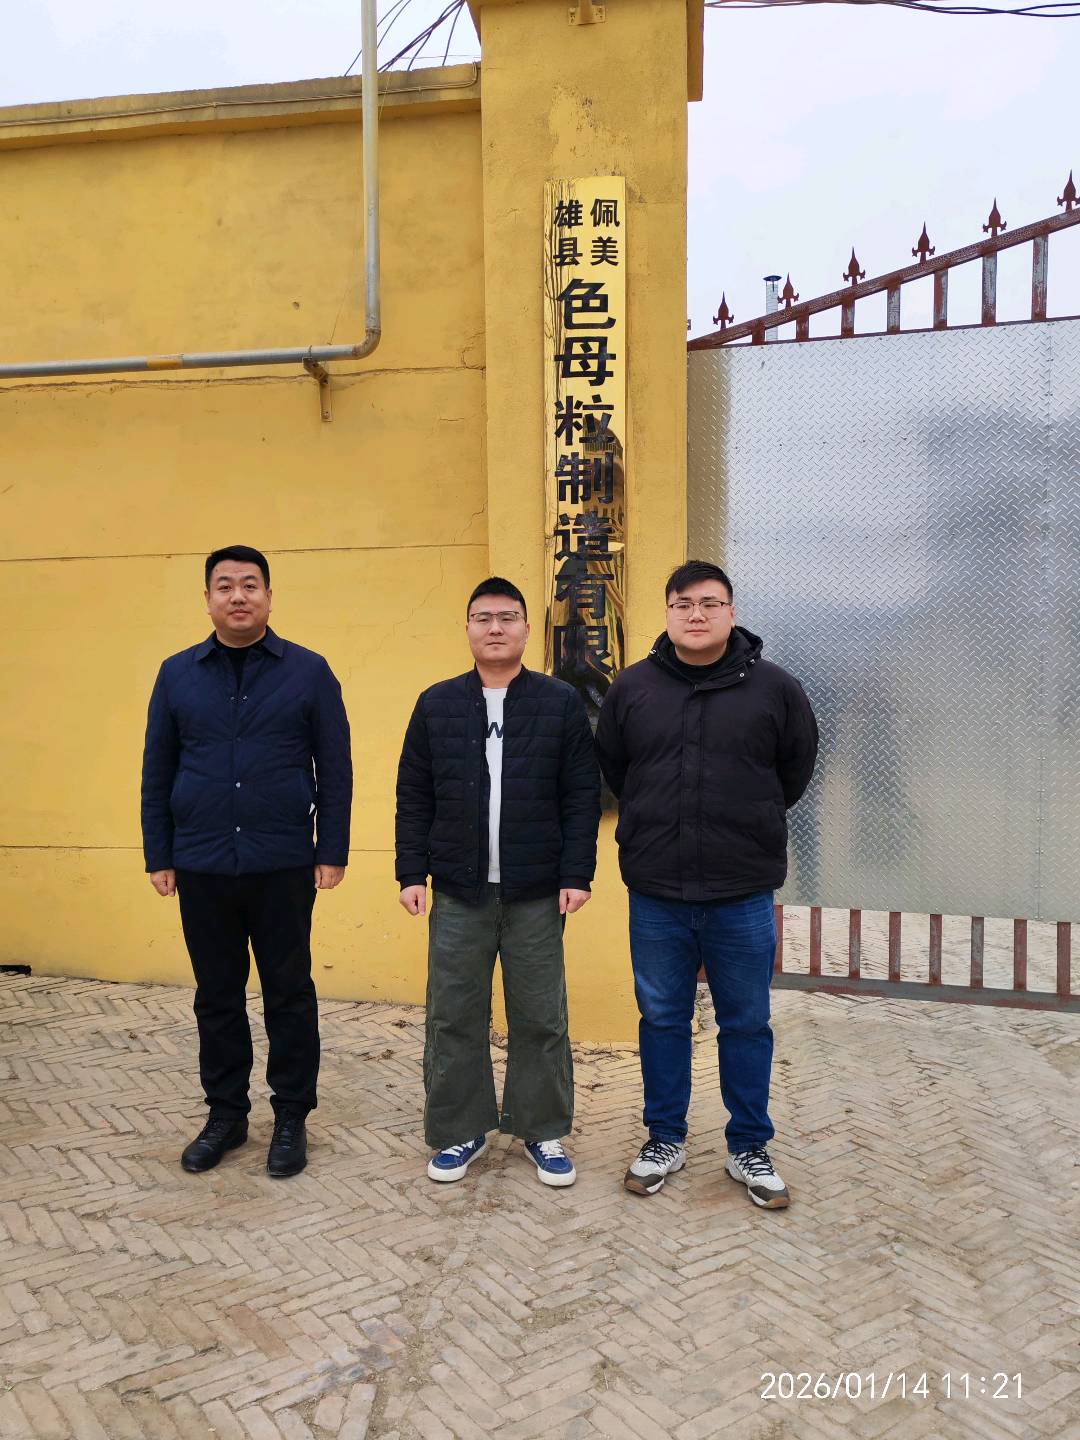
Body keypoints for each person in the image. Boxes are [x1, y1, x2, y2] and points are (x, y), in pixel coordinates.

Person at [596, 560, 817, 1207]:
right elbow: (616, 767)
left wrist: (746, 821)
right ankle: (664, 1137)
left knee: (746, 1022)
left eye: (710, 603)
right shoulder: (633, 688)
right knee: (662, 1018)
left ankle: (749, 1146)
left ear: (731, 611)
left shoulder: (775, 689)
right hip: (657, 892)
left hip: (740, 892)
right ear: (667, 612)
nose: (697, 614)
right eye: (684, 604)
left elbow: (795, 771)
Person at [141, 545, 352, 1179]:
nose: (238, 596)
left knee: (289, 992)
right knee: (217, 996)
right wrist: (160, 853)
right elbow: (157, 769)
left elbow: (335, 767)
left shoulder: (308, 671)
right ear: (208, 599)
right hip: (201, 861)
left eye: (250, 585)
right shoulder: (177, 674)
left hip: (282, 862)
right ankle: (226, 1115)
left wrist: (331, 850)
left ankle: (291, 1116)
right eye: (225, 586)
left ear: (269, 597)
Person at [395, 578, 601, 1187]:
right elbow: (413, 794)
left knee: (540, 1016)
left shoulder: (559, 703)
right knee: (454, 1014)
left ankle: (542, 1128)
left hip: (536, 890)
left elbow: (581, 795)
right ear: (467, 628)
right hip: (459, 891)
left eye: (507, 617)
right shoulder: (436, 704)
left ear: (526, 629)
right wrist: (411, 872)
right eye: (482, 617)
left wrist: (577, 873)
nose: (494, 628)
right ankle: (460, 1128)